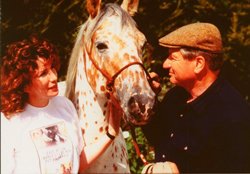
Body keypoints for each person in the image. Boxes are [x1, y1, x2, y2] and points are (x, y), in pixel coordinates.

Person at [1, 35, 122, 174]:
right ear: (23, 84)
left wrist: (111, 133)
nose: (54, 77)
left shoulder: (65, 106)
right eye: (43, 74)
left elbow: (78, 163)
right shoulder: (8, 121)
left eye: (52, 68)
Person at [142, 22, 250, 173]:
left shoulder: (233, 116)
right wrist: (148, 96)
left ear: (199, 63)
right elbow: (157, 136)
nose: (165, 64)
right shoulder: (176, 97)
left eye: (173, 57)